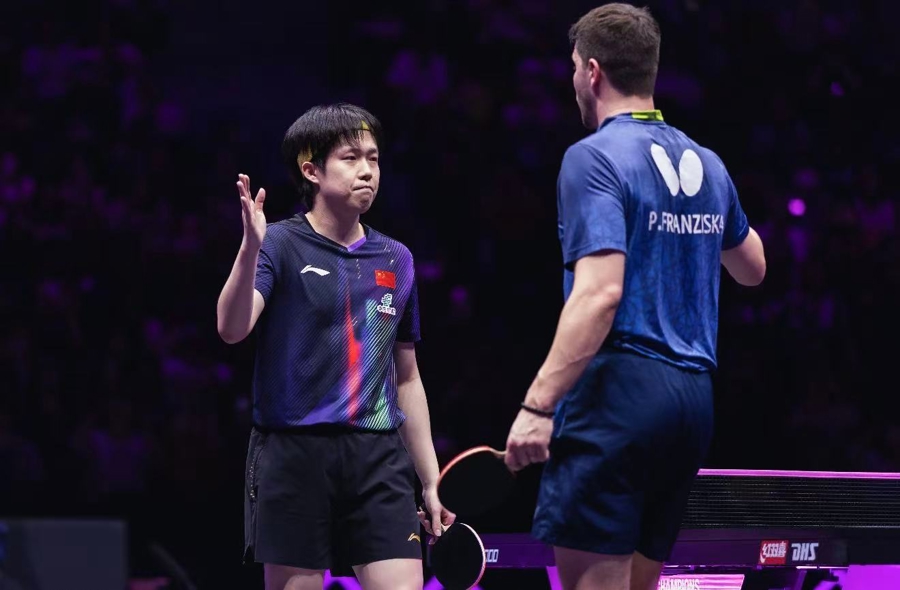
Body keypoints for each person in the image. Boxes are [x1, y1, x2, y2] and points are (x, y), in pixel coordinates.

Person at [503, 4, 766, 590]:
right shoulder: (707, 162)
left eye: (574, 67)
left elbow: (600, 294)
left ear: (593, 72)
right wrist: (687, 226)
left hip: (619, 395)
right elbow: (753, 267)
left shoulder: (593, 158)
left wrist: (538, 406)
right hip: (692, 401)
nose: (573, 79)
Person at [216, 103, 454, 590]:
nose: (367, 170)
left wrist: (430, 480)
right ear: (311, 170)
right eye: (351, 158)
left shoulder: (396, 258)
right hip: (294, 454)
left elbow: (407, 377)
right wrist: (249, 248)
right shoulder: (279, 244)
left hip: (378, 456)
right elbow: (232, 328)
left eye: (374, 158)